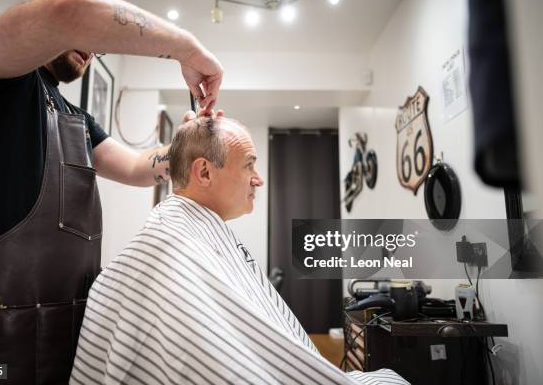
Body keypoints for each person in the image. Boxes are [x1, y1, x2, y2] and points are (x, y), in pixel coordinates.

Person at [0, 0, 222, 382]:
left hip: (57, 334)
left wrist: (190, 144)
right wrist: (188, 49)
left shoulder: (77, 120)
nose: (90, 48)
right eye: (88, 35)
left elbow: (139, 168)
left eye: (95, 46)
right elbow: (68, 15)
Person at [72, 117, 408, 384]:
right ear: (204, 171)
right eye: (249, 165)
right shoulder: (172, 245)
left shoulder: (189, 231)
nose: (258, 179)